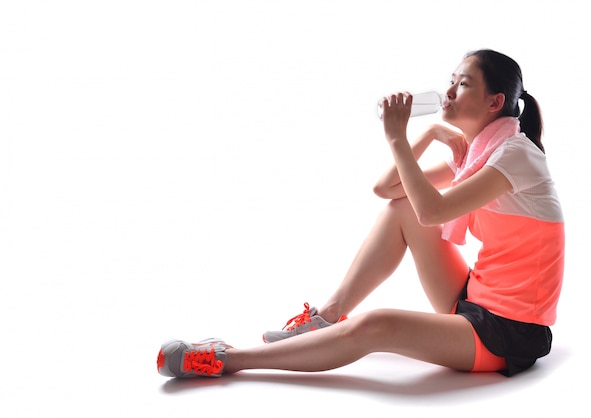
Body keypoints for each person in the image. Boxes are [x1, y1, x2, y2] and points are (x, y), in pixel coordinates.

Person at [156, 49, 565, 379]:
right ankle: (328, 316)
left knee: (376, 325)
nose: (450, 91)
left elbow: (432, 210)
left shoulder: (516, 155)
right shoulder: (477, 155)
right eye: (451, 81)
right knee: (399, 207)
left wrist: (396, 139)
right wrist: (425, 135)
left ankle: (229, 358)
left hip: (508, 332)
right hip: (474, 299)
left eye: (464, 84)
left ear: (496, 102)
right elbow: (388, 190)